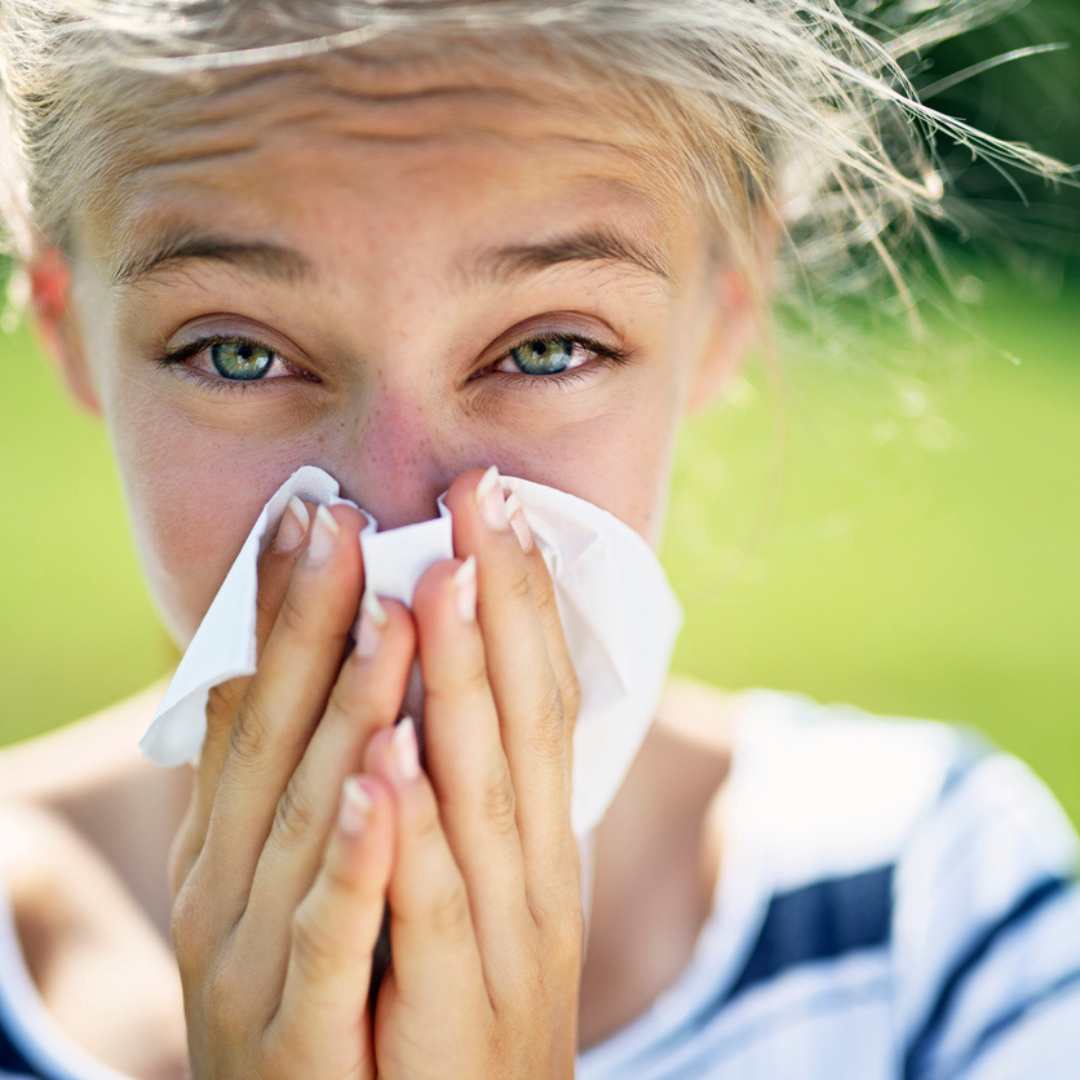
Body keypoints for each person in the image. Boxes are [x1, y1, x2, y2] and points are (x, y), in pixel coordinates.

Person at [1, 2, 1078, 1077]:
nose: (400, 526)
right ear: (66, 321)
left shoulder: (944, 926)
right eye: (237, 353)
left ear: (723, 308)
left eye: (548, 349)